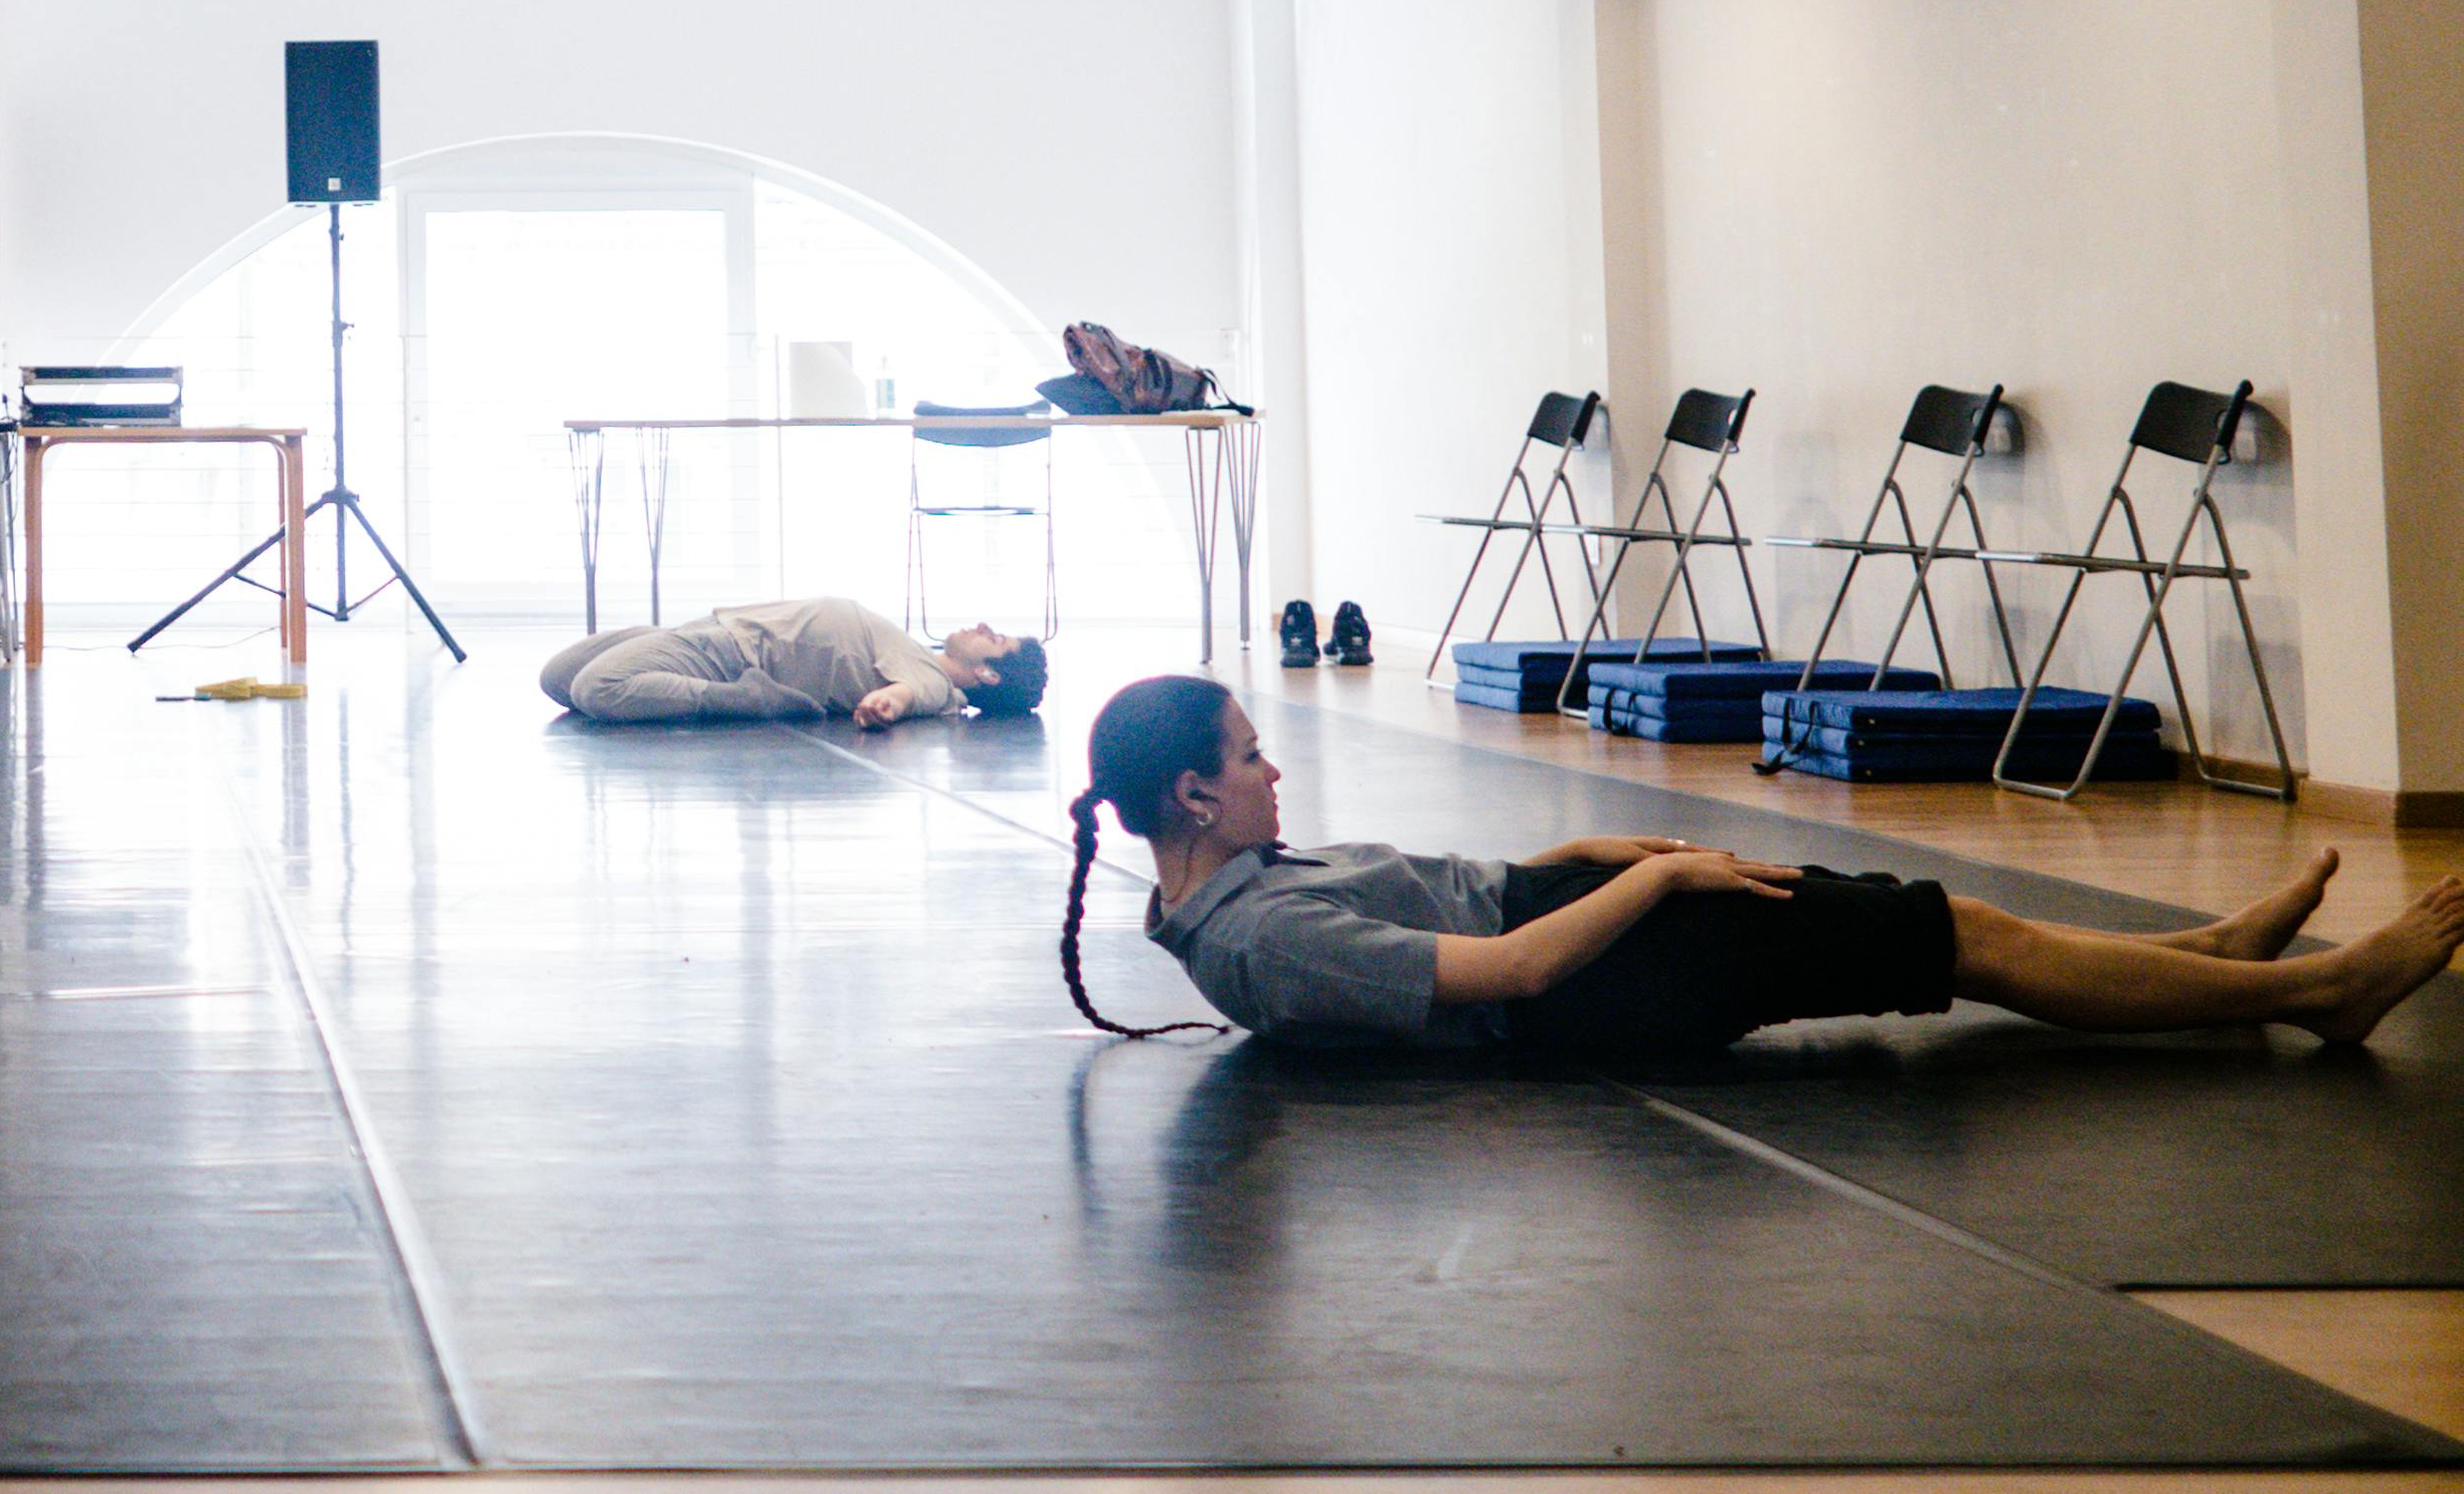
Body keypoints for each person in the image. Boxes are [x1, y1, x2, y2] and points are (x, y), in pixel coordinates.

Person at [1058, 670, 2464, 1056]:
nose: (1272, 769)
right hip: (1591, 982)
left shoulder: (1229, 892)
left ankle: (2212, 962)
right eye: (1249, 758)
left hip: (1580, 919)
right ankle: (2310, 995)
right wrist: (1653, 882)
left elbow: (1470, 900)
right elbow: (1508, 968)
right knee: (1952, 941)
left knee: (1946, 918)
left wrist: (1582, 851)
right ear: (1190, 791)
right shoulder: (1258, 942)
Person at [540, 596, 1049, 728]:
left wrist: (882, 706)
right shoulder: (920, 653)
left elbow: (902, 696)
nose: (984, 627)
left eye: (995, 640)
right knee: (557, 678)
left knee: (595, 689)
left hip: (733, 657)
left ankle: (740, 701)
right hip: (724, 627)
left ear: (988, 675)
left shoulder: (936, 685)